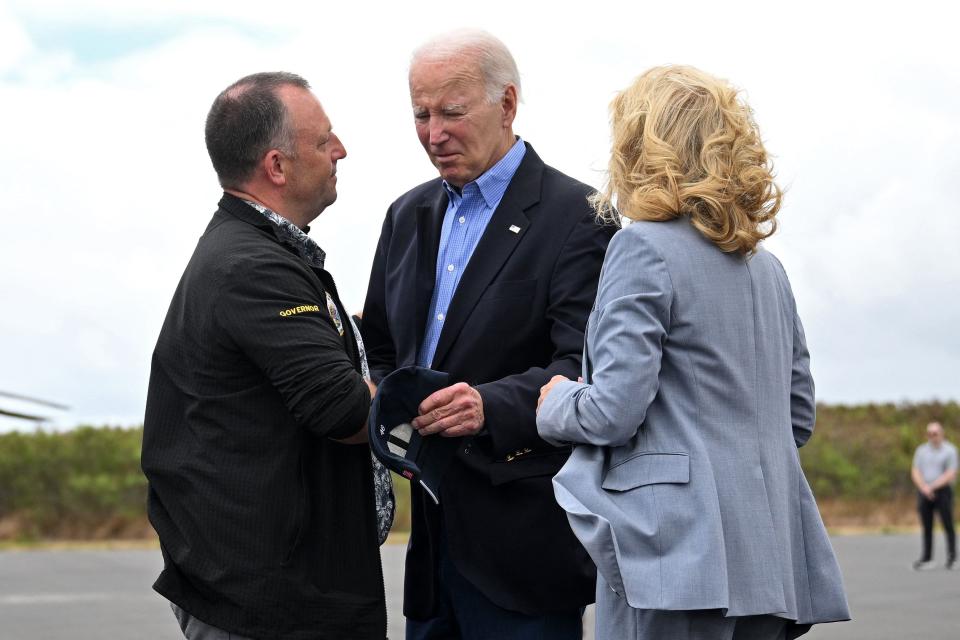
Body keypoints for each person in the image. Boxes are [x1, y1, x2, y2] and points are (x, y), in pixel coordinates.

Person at [536, 65, 850, 640]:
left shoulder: (641, 248)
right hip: (772, 557)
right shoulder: (769, 270)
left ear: (639, 146)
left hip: (674, 556)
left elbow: (612, 411)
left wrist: (555, 402)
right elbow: (797, 416)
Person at [361, 29, 613, 639]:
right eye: (420, 114)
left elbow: (585, 365)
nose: (433, 133)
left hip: (525, 550)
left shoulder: (580, 215)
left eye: (451, 112)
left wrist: (488, 405)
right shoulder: (406, 214)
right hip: (430, 549)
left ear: (507, 104)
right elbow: (383, 348)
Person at [141, 72, 387, 640]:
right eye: (324, 141)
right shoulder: (255, 267)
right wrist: (437, 398)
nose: (340, 150)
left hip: (255, 591)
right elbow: (345, 412)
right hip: (270, 607)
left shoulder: (254, 250)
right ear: (276, 167)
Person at [911, 421, 957, 570]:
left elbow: (951, 473)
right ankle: (927, 558)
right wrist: (924, 487)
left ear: (941, 434)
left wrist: (932, 486)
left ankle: (952, 557)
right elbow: (915, 471)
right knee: (927, 525)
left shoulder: (950, 450)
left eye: (935, 433)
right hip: (924, 490)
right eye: (930, 434)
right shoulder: (921, 451)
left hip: (942, 490)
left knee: (947, 523)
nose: (932, 436)